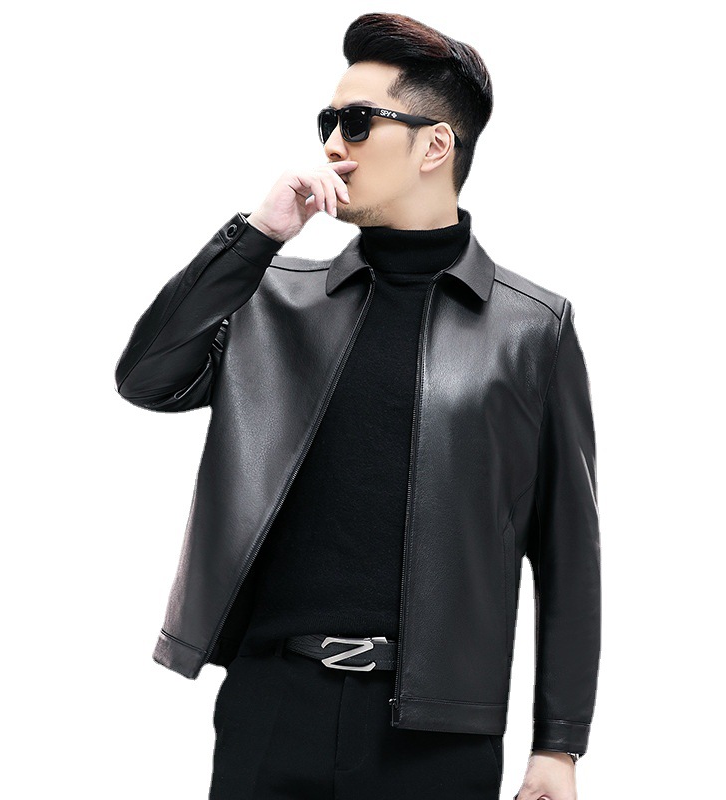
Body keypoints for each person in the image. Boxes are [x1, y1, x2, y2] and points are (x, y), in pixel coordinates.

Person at [114, 12, 600, 800]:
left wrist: (559, 745)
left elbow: (569, 554)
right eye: (328, 122)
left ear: (434, 146)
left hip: (435, 738)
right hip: (271, 708)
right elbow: (147, 379)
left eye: (359, 122)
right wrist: (256, 236)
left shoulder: (530, 329)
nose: (334, 146)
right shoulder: (273, 298)